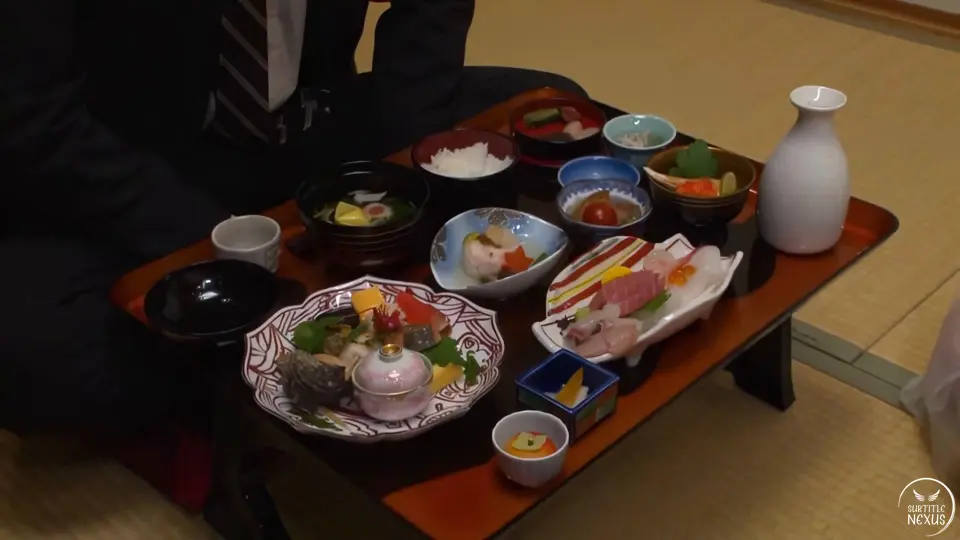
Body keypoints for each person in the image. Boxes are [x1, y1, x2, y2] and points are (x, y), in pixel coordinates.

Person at [0, 0, 588, 435]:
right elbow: (31, 116)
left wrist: (405, 168)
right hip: (134, 157)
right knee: (37, 358)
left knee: (550, 115)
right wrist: (206, 238)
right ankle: (259, 379)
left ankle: (254, 358)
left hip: (307, 118)